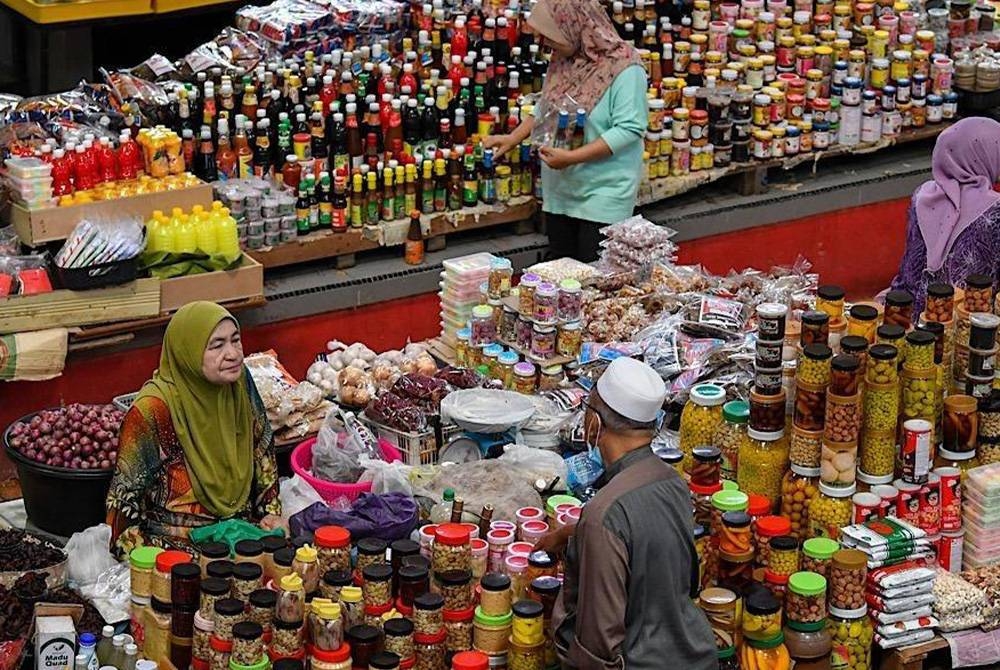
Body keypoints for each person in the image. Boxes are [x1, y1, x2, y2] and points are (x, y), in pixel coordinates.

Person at [535, 357, 716, 670]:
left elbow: (598, 646)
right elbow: (644, 535)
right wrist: (573, 534)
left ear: (594, 423)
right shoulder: (671, 481)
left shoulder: (602, 516)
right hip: (695, 655)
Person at [106, 301, 282, 554]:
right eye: (217, 346)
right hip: (179, 550)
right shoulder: (153, 409)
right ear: (186, 353)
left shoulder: (239, 382)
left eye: (236, 340)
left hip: (242, 537)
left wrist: (271, 515)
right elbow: (123, 503)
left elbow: (262, 448)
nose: (233, 353)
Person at [484, 0, 648, 263]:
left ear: (574, 25)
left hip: (603, 194)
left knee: (593, 278)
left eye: (549, 34)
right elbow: (549, 106)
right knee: (562, 277)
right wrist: (514, 137)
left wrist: (572, 158)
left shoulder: (626, 69)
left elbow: (629, 129)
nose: (542, 42)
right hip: (560, 191)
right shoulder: (564, 59)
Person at [887, 117, 1000, 313]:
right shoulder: (995, 210)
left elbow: (909, 270)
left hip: (909, 316)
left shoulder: (923, 196)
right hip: (967, 326)